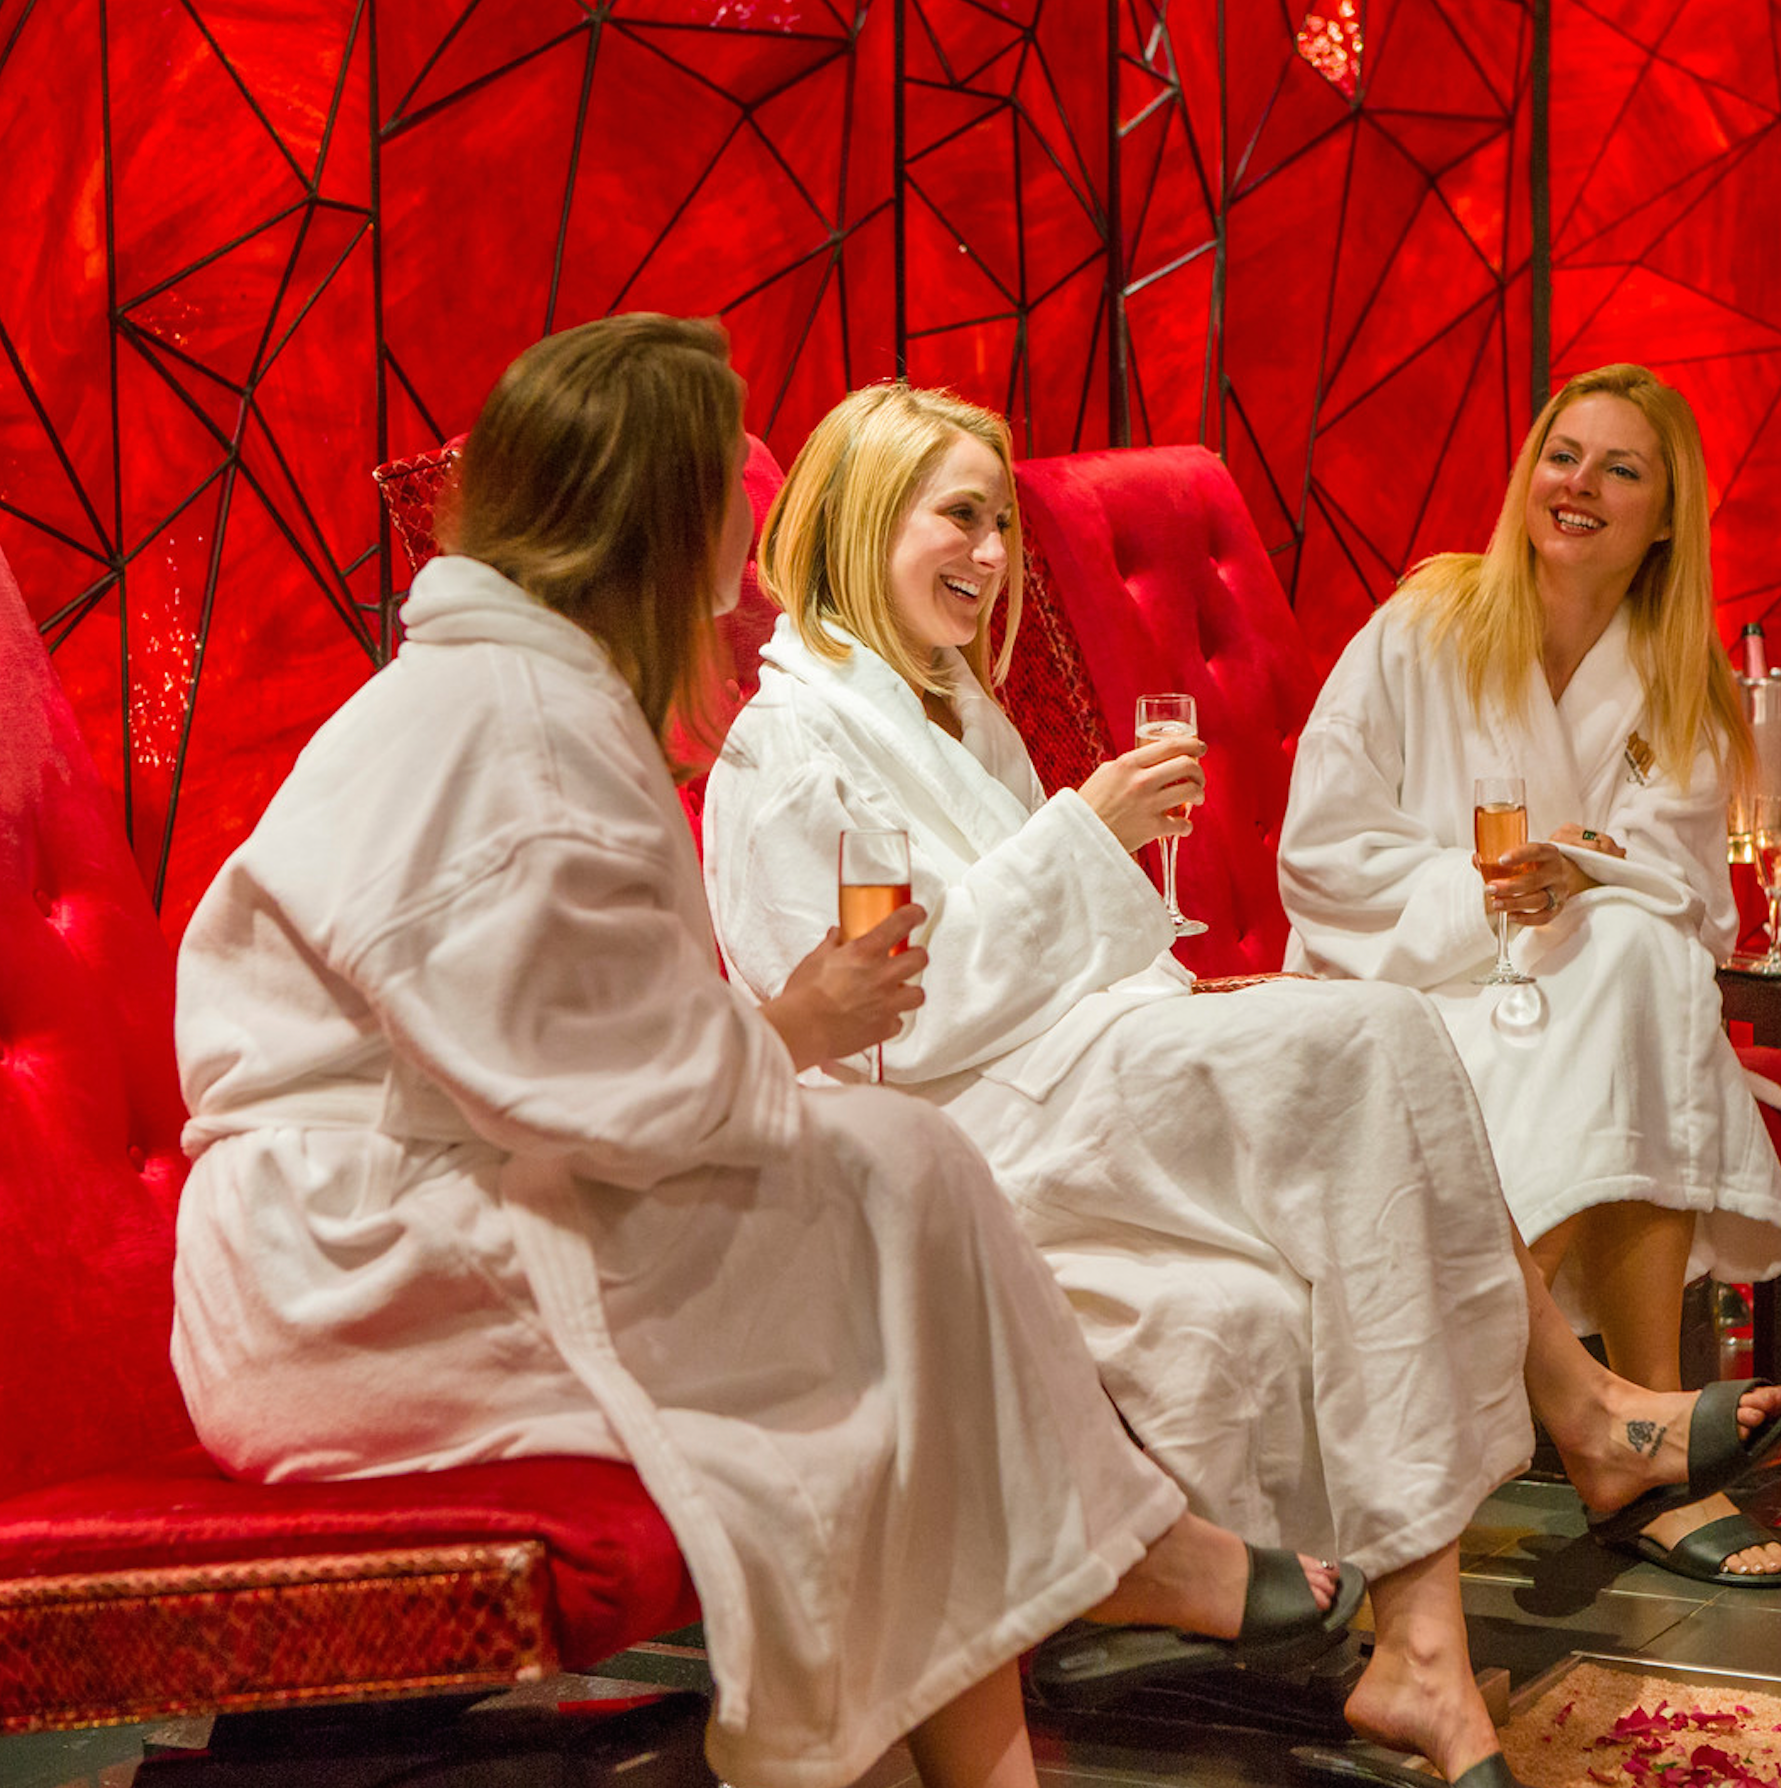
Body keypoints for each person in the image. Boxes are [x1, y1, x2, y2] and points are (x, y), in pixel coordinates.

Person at [167, 315, 1357, 1788]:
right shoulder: (513, 727)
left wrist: (785, 1036)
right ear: (656, 524)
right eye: (731, 503)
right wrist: (791, 1029)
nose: (749, 549)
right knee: (893, 1198)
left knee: (896, 1178)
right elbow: (595, 1081)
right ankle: (1106, 1562)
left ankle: (1033, 1679)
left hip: (420, 1215)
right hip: (363, 1285)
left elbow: (568, 1048)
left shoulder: (522, 697)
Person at [702, 379, 1781, 1788]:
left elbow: (1018, 948)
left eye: (998, 525)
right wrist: (1082, 840)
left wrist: (1094, 877)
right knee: (1370, 1039)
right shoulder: (785, 745)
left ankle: (1424, 1635)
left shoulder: (944, 715)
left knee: (1363, 1087)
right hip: (956, 1129)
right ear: (861, 516)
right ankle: (1578, 1417)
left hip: (1064, 1075)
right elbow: (880, 1031)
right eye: (957, 519)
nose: (988, 556)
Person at [1277, 362, 1781, 1589]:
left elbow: (1683, 892)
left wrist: (1578, 880)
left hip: (1572, 986)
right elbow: (1322, 850)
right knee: (1639, 990)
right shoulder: (1423, 626)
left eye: (1620, 469)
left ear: (1664, 515)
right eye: (1561, 456)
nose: (1578, 486)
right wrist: (1485, 898)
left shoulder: (1681, 686)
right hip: (1411, 983)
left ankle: (1578, 1415)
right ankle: (1635, 1441)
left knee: (1638, 962)